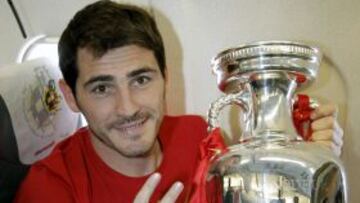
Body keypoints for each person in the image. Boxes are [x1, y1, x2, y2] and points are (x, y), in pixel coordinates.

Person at [14, 1, 344, 203]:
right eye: (102, 88)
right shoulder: (49, 190)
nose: (128, 108)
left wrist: (301, 163)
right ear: (71, 95)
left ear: (165, 78)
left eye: (141, 80)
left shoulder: (197, 135)